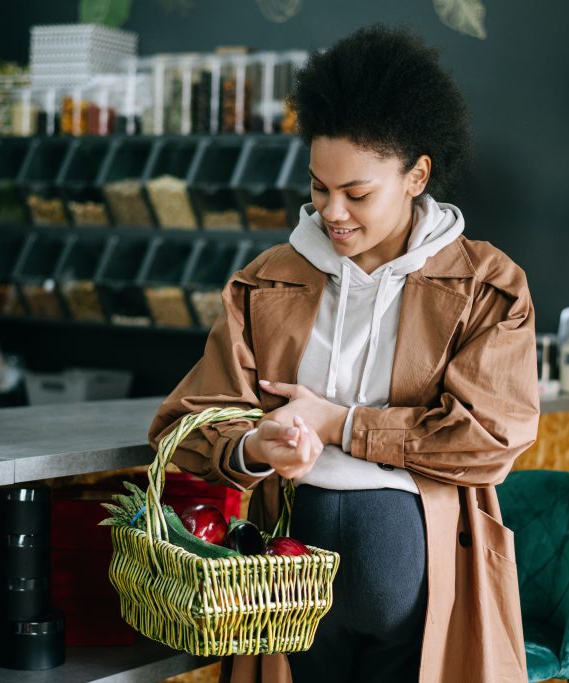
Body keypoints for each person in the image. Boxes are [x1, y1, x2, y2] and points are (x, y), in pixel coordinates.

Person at [149, 24, 539, 683]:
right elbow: (182, 426)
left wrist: (342, 424)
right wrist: (255, 446)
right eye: (318, 187)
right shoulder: (267, 280)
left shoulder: (487, 286)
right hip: (286, 574)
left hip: (416, 572)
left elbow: (489, 438)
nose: (333, 211)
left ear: (417, 174)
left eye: (357, 193)